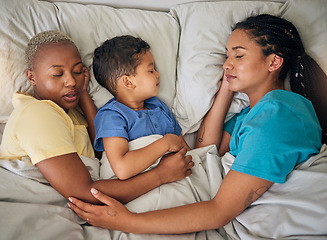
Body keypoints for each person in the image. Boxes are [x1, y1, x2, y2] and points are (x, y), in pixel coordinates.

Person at [68, 14, 327, 233]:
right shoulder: (251, 114)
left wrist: (128, 221)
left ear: (274, 62)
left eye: (238, 56)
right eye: (226, 56)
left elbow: (219, 211)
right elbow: (205, 149)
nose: (226, 64)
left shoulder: (277, 114)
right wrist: (227, 87)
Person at [0, 30, 193, 205]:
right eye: (58, 74)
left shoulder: (67, 111)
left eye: (77, 72)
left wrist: (83, 95)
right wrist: (160, 175)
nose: (71, 81)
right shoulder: (37, 114)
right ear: (31, 77)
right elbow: (86, 193)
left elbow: (101, 148)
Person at [92, 35, 190, 180]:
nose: (158, 74)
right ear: (128, 82)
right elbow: (122, 168)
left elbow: (185, 151)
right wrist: (165, 143)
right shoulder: (111, 116)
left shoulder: (158, 107)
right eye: (151, 70)